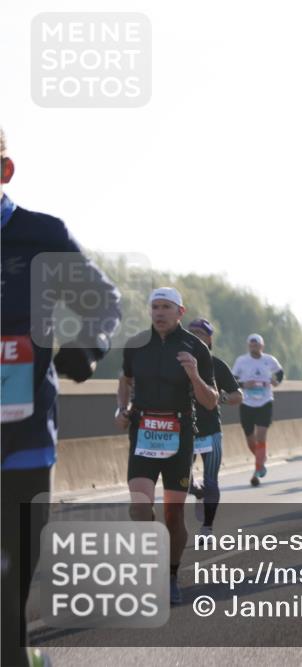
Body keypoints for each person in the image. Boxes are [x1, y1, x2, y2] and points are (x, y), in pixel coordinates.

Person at [1, 127, 122, 667]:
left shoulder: (40, 236)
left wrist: (88, 348)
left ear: (4, 172)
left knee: (12, 576)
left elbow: (102, 300)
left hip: (24, 439)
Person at [116, 288, 217, 604]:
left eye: (165, 307)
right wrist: (121, 409)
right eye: (154, 307)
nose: (159, 312)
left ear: (180, 312)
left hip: (179, 435)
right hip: (143, 433)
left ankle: (171, 578)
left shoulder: (195, 347)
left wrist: (194, 374)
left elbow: (211, 401)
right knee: (140, 507)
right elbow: (125, 380)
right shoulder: (135, 345)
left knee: (173, 516)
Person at [187, 318, 243, 535]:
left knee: (211, 481)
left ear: (209, 339)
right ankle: (196, 491)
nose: (193, 336)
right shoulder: (177, 362)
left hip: (210, 432)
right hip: (183, 432)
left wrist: (220, 398)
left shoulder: (216, 365)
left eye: (199, 333)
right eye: (190, 332)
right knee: (185, 483)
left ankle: (207, 526)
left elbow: (238, 396)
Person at [231, 334, 283, 486]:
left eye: (257, 345)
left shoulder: (269, 360)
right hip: (247, 403)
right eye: (251, 345)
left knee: (261, 437)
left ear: (262, 346)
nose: (254, 347)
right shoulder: (242, 361)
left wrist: (277, 381)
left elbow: (280, 373)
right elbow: (232, 379)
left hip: (265, 402)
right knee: (250, 440)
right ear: (248, 346)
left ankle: (257, 471)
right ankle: (261, 459)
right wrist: (244, 384)